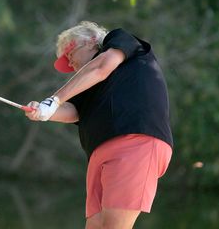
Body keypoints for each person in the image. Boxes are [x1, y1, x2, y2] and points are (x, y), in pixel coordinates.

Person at [26, 21, 173, 229]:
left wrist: (54, 100)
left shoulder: (120, 41)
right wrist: (41, 111)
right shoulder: (86, 86)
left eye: (70, 53)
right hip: (101, 154)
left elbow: (102, 67)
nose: (70, 63)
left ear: (91, 41)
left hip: (135, 142)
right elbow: (73, 111)